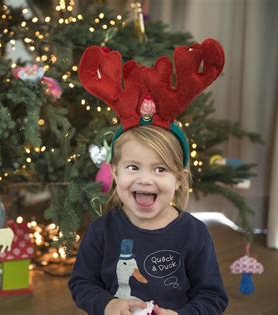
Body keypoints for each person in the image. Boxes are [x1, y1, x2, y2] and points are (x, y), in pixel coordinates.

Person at [69, 39, 228, 315]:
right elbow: (81, 283)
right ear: (115, 173)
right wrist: (107, 304)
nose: (145, 180)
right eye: (133, 167)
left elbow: (212, 296)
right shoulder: (101, 232)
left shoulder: (193, 233)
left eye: (160, 169)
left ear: (179, 178)